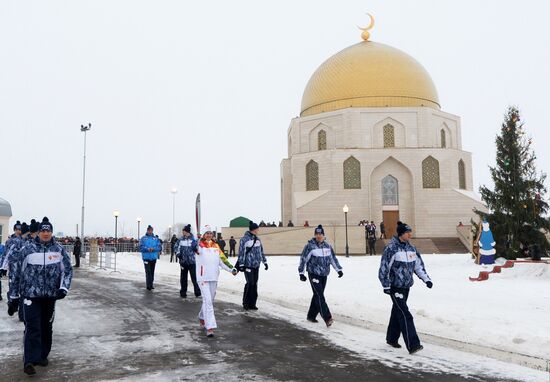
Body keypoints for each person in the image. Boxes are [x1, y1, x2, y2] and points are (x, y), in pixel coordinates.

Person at [8, 217, 73, 376]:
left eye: (48, 231)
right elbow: (16, 273)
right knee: (32, 327)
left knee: (46, 327)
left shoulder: (58, 250)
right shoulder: (28, 249)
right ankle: (29, 360)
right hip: (30, 295)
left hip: (50, 297)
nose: (45, 233)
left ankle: (42, 354)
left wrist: (63, 288)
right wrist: (14, 296)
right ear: (38, 232)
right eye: (43, 231)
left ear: (51, 232)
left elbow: (68, 270)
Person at [378, 221, 432, 355]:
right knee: (405, 314)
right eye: (408, 232)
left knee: (397, 311)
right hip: (395, 287)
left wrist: (427, 279)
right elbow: (384, 268)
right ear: (401, 233)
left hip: (406, 287)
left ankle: (391, 338)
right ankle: (413, 344)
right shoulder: (391, 249)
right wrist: (386, 285)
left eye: (410, 232)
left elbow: (418, 266)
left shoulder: (411, 249)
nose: (410, 234)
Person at [195, 225, 237, 337]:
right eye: (207, 233)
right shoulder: (199, 246)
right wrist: (197, 239)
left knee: (209, 301)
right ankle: (210, 327)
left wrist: (231, 269)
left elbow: (222, 260)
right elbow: (193, 248)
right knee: (208, 301)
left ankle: (202, 316)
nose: (209, 235)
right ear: (203, 235)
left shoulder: (216, 246)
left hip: (213, 277)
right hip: (203, 278)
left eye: (210, 233)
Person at [298, 225, 343, 327]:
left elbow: (333, 259)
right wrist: (301, 273)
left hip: (324, 274)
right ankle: (327, 318)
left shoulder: (327, 246)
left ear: (323, 235)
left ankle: (311, 315)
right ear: (315, 235)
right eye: (317, 234)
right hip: (313, 273)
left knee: (317, 295)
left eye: (320, 234)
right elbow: (303, 259)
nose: (318, 236)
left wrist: (338, 270)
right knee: (319, 295)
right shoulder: (310, 246)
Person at [236, 221, 268, 311]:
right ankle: (245, 303)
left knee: (254, 284)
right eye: (257, 229)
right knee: (250, 283)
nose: (258, 230)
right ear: (254, 229)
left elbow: (261, 251)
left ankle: (252, 303)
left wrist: (264, 262)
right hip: (248, 265)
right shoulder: (244, 240)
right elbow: (241, 253)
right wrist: (241, 264)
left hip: (256, 265)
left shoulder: (258, 239)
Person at [175, 225, 201, 298]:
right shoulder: (180, 240)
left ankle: (197, 292)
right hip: (183, 262)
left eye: (184, 231)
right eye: (183, 231)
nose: (183, 232)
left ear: (187, 232)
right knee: (183, 278)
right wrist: (178, 254)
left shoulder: (193, 240)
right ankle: (183, 292)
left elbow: (197, 248)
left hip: (191, 262)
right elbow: (176, 247)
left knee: (194, 278)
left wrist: (199, 240)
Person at [139, 225, 161, 290]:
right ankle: (148, 285)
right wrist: (147, 249)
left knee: (152, 271)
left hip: (153, 257)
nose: (150, 231)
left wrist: (153, 249)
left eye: (151, 230)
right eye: (149, 230)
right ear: (147, 230)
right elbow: (141, 247)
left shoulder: (156, 239)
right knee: (148, 271)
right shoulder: (143, 238)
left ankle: (151, 284)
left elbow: (159, 247)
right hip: (146, 258)